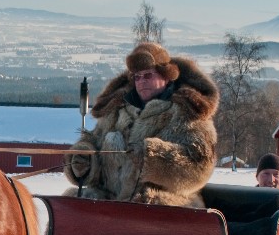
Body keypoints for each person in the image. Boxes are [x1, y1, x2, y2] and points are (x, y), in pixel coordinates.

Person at [64, 41, 219, 207]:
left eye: (148, 75)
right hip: (110, 206)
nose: (141, 81)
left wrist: (153, 158)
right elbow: (93, 142)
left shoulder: (187, 111)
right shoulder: (117, 109)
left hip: (163, 208)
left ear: (166, 76)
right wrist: (83, 160)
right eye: (137, 77)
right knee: (71, 208)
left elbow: (201, 166)